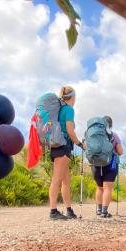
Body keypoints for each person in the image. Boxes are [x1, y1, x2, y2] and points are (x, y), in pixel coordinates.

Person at [48, 86, 85, 220]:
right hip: (62, 147)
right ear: (72, 97)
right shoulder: (69, 109)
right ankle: (53, 212)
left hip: (58, 146)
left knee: (65, 182)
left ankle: (69, 210)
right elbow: (70, 130)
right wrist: (80, 144)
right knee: (57, 180)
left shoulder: (59, 110)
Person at [93, 116, 123, 218]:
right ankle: (104, 212)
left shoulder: (94, 135)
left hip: (96, 164)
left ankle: (98, 210)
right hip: (110, 165)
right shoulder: (114, 135)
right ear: (111, 124)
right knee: (107, 189)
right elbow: (120, 152)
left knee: (99, 188)